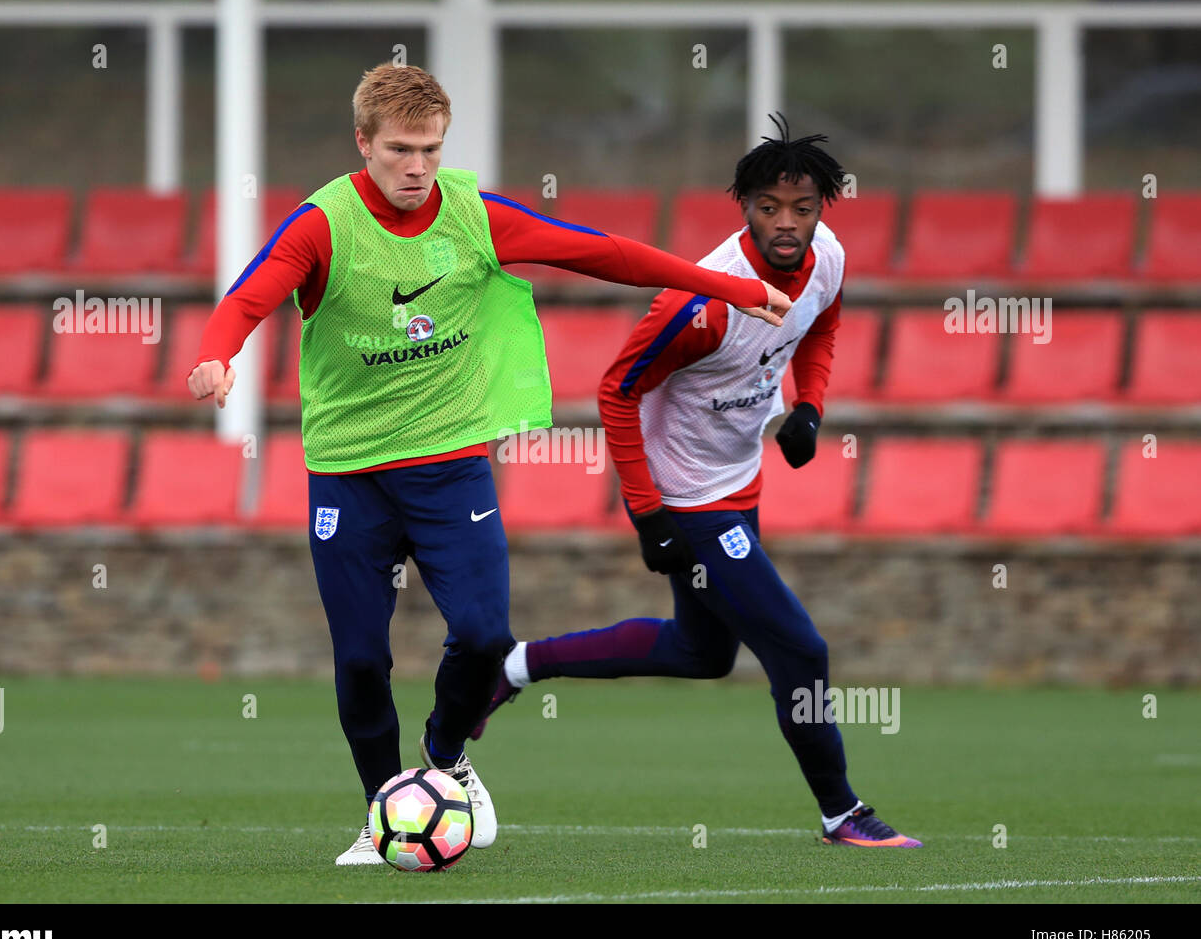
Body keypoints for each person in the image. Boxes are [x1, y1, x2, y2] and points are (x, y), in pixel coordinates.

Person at [186, 64, 793, 865]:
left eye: (431, 149)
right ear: (362, 143)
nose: (417, 167)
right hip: (348, 473)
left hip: (450, 467)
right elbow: (247, 297)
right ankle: (382, 813)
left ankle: (443, 759)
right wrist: (216, 356)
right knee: (362, 656)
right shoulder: (322, 225)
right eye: (400, 150)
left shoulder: (470, 214)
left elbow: (601, 253)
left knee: (483, 634)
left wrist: (722, 284)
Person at [470, 117, 922, 849]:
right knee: (801, 652)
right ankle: (843, 812)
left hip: (739, 481)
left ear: (822, 211)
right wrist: (649, 516)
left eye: (801, 209)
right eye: (768, 208)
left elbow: (821, 325)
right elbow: (616, 388)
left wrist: (809, 406)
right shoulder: (702, 302)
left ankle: (513, 665)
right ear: (742, 205)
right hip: (689, 500)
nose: (786, 223)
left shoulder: (829, 259)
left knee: (700, 652)